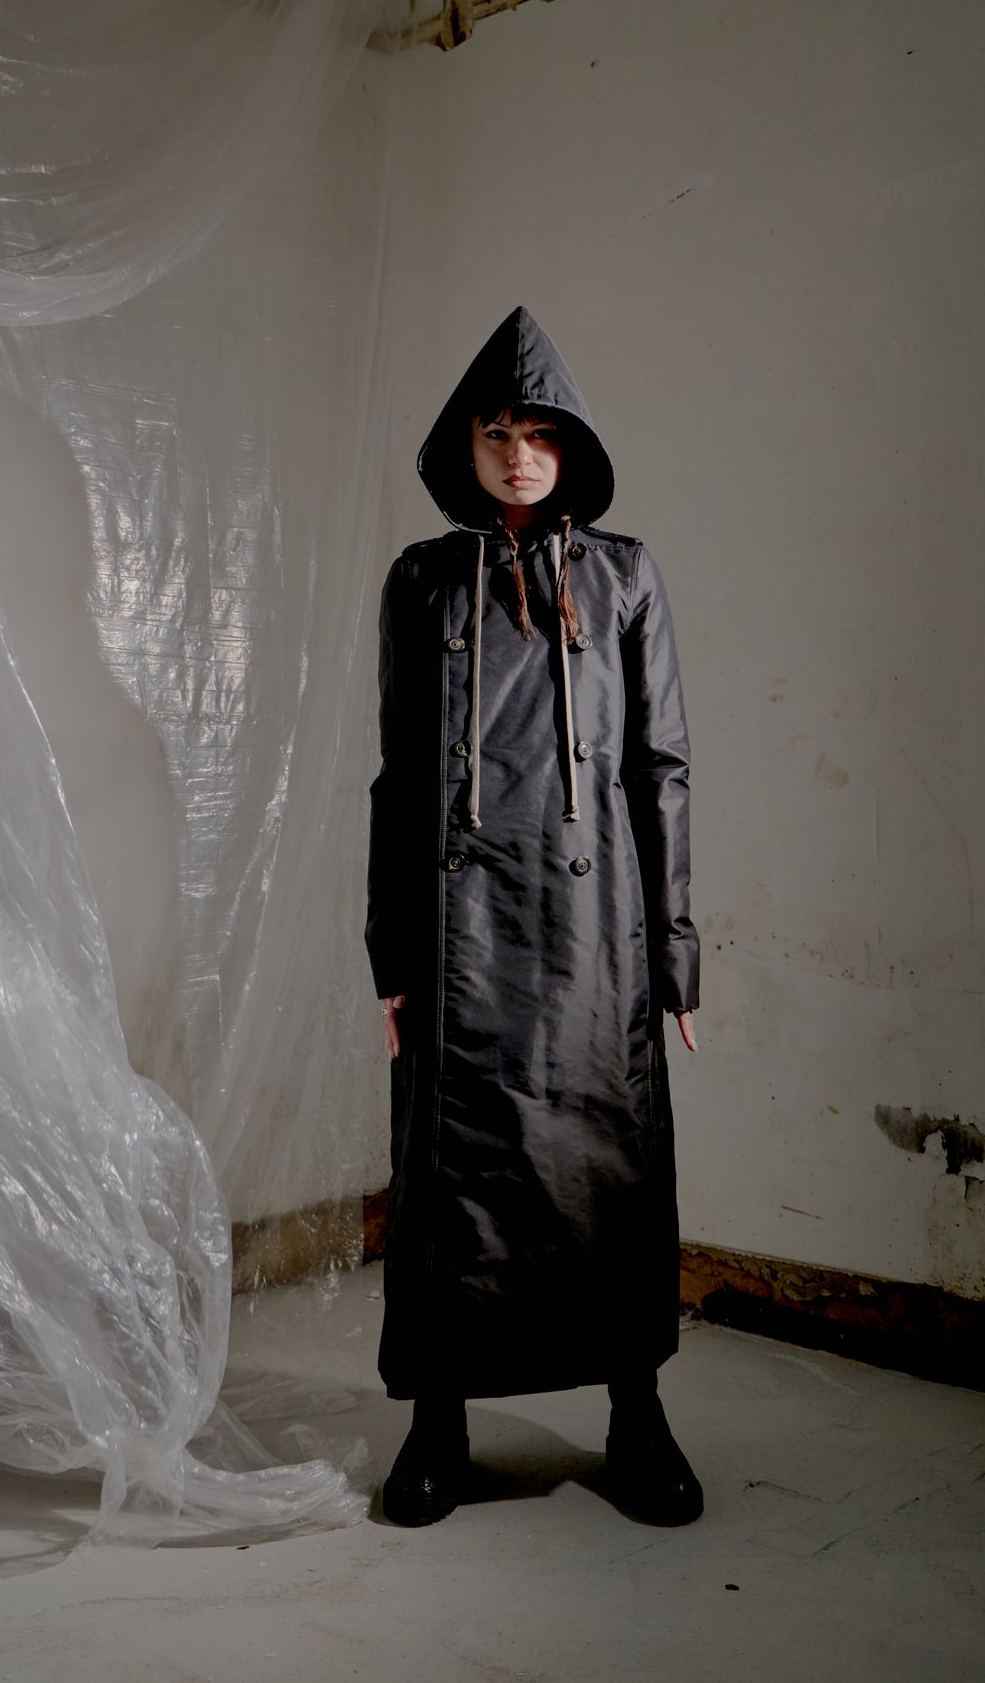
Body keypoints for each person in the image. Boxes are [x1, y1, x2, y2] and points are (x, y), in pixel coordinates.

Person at [365, 306, 702, 1528]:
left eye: (538, 432)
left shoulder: (622, 574)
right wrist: (391, 952)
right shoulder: (420, 579)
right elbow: (401, 776)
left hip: (594, 926)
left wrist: (670, 950)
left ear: (572, 447)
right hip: (459, 933)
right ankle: (437, 1419)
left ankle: (636, 1411)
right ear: (465, 442)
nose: (516, 454)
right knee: (448, 1178)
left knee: (603, 1170)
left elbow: (657, 764)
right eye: (496, 430)